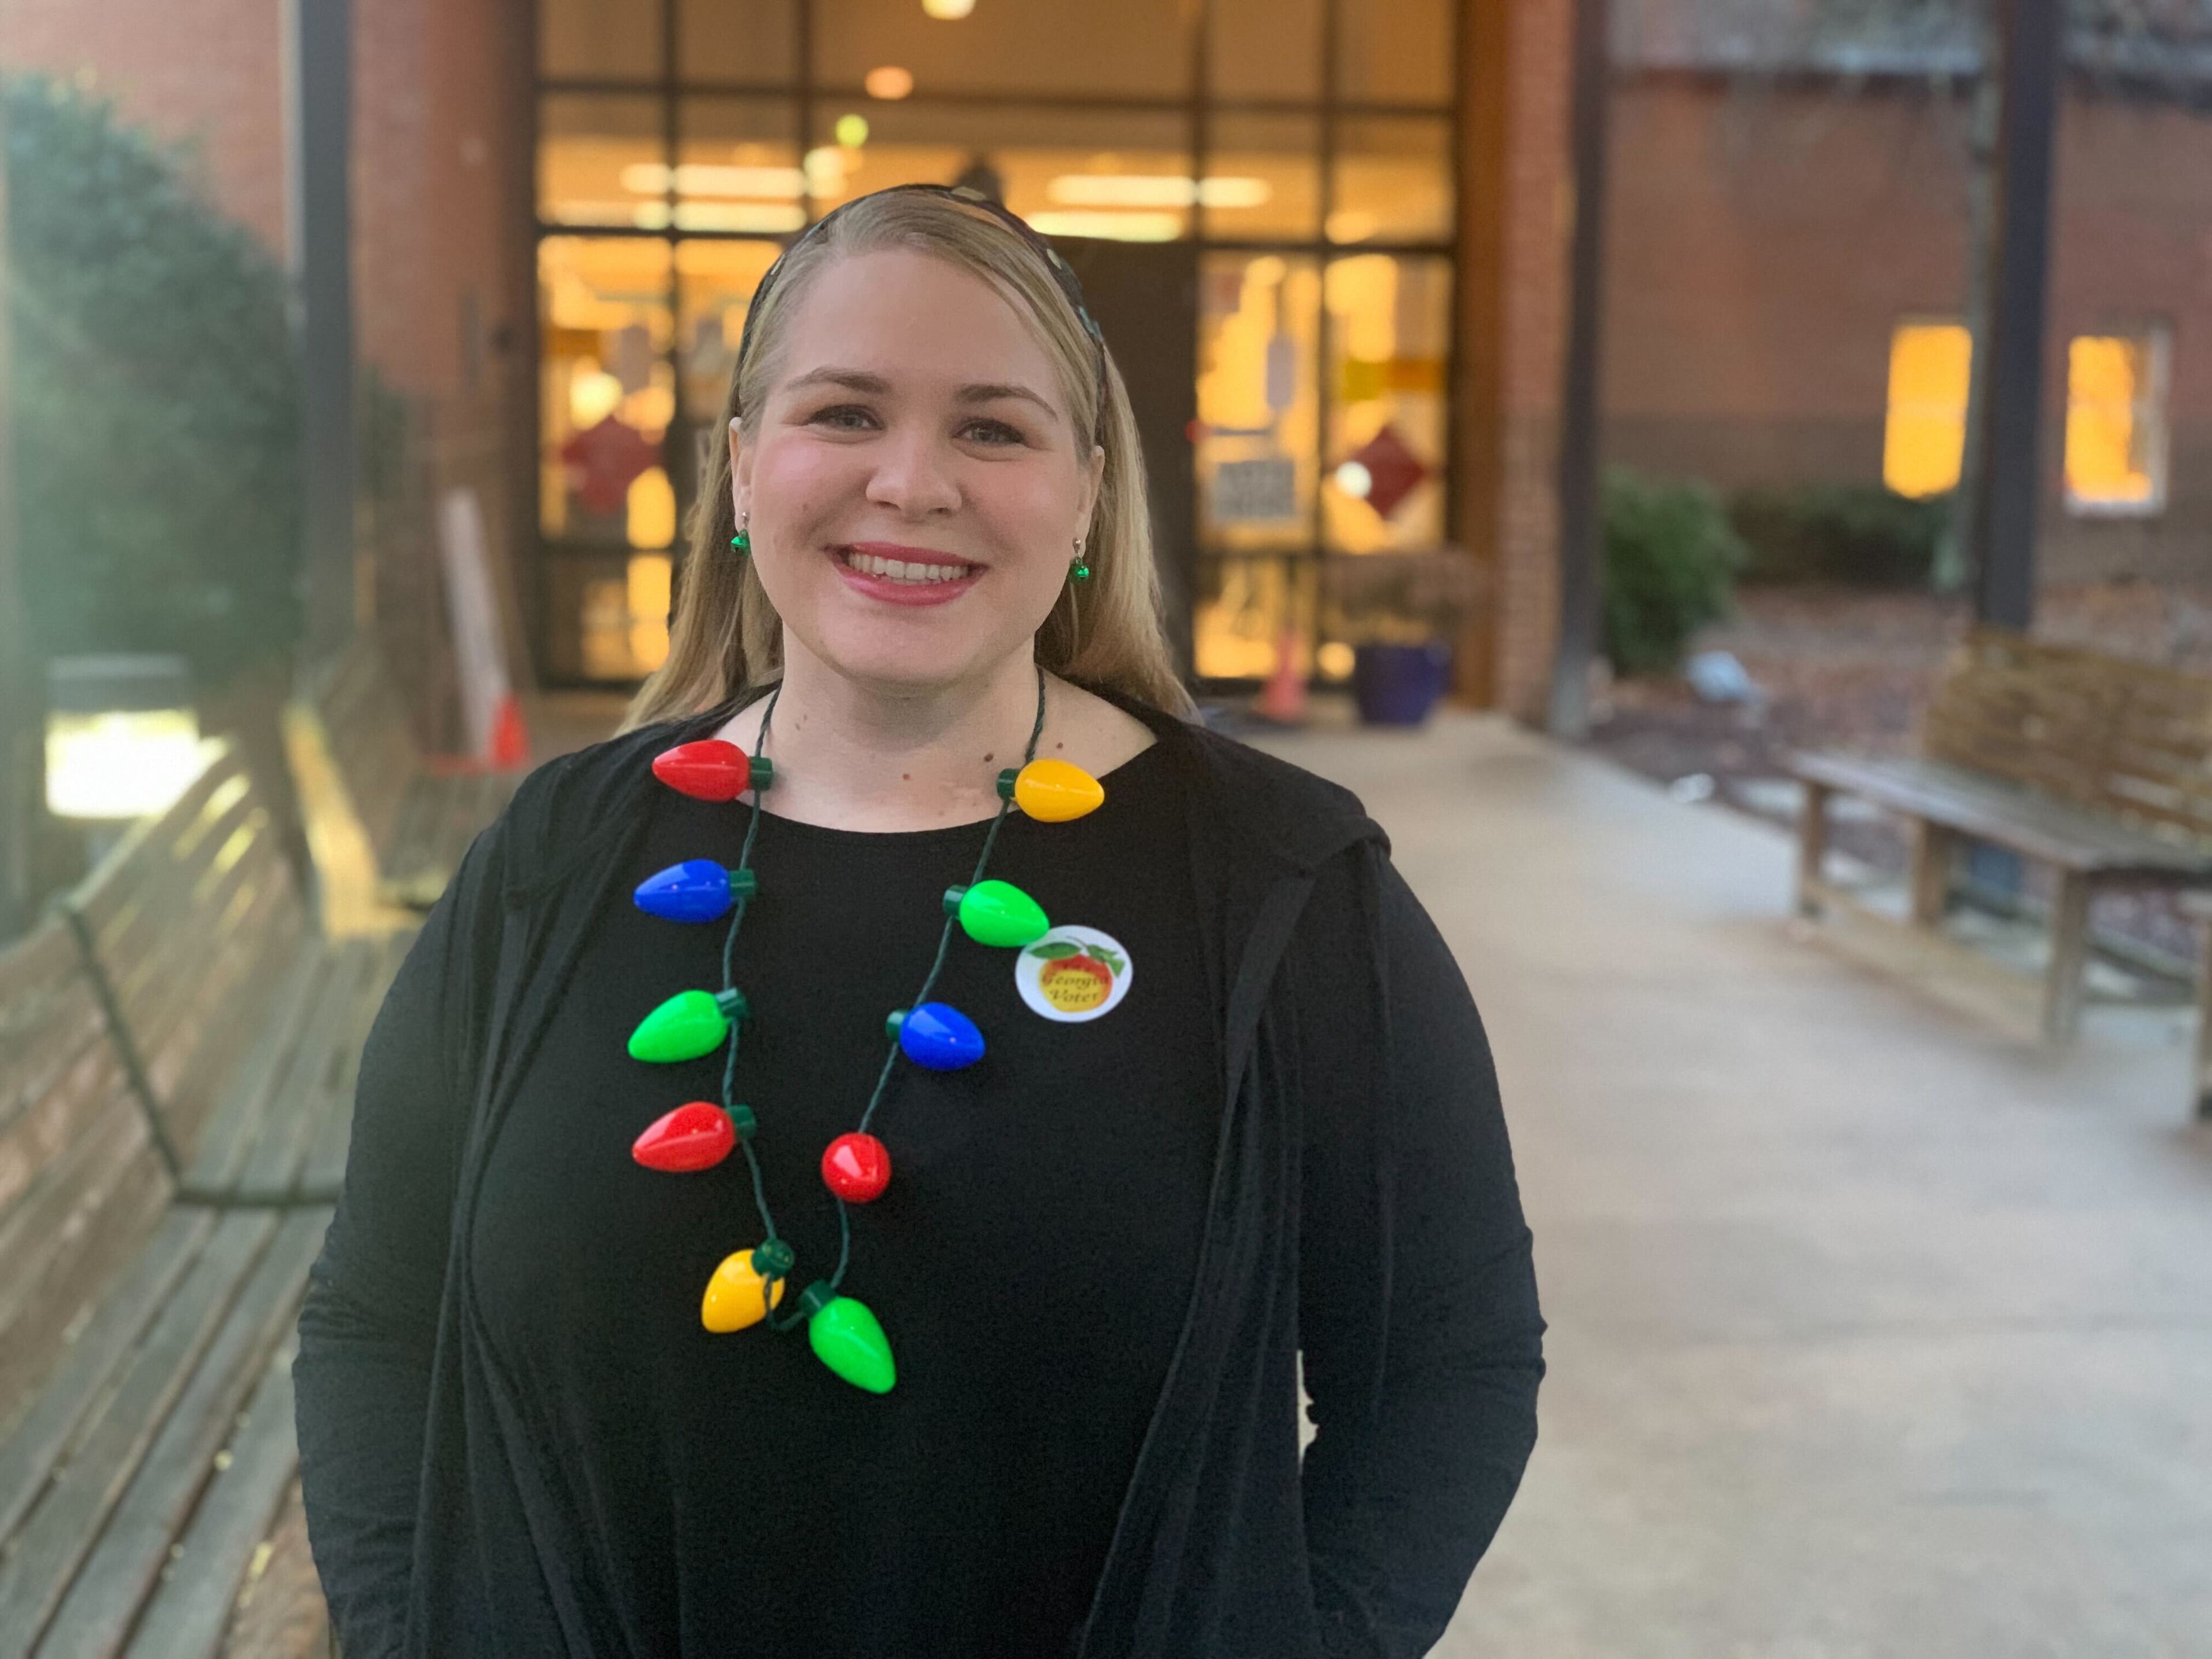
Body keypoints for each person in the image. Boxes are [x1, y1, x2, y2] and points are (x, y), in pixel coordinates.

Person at [294, 184, 1544, 1658]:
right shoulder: (555, 859)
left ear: (1085, 495)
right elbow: (375, 1319)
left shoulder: (1279, 886)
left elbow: (1446, 1375)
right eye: (845, 412)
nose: (910, 482)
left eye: (992, 428)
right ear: (743, 470)